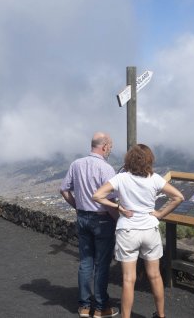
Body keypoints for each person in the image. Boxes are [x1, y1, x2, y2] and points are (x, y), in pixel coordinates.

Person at [92, 144, 184, 318]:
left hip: (127, 230)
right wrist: (160, 214)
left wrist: (118, 207)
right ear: (149, 160)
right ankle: (161, 315)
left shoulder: (121, 178)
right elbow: (179, 197)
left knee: (128, 280)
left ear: (129, 160)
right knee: (155, 276)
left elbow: (97, 196)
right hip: (150, 229)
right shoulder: (155, 178)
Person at [60, 132, 120, 318]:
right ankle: (101, 308)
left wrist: (77, 206)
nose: (110, 150)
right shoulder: (106, 169)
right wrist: (118, 220)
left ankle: (85, 306)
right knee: (102, 265)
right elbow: (110, 200)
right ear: (104, 147)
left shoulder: (76, 164)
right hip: (102, 220)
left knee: (85, 262)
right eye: (109, 146)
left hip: (83, 218)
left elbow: (63, 189)